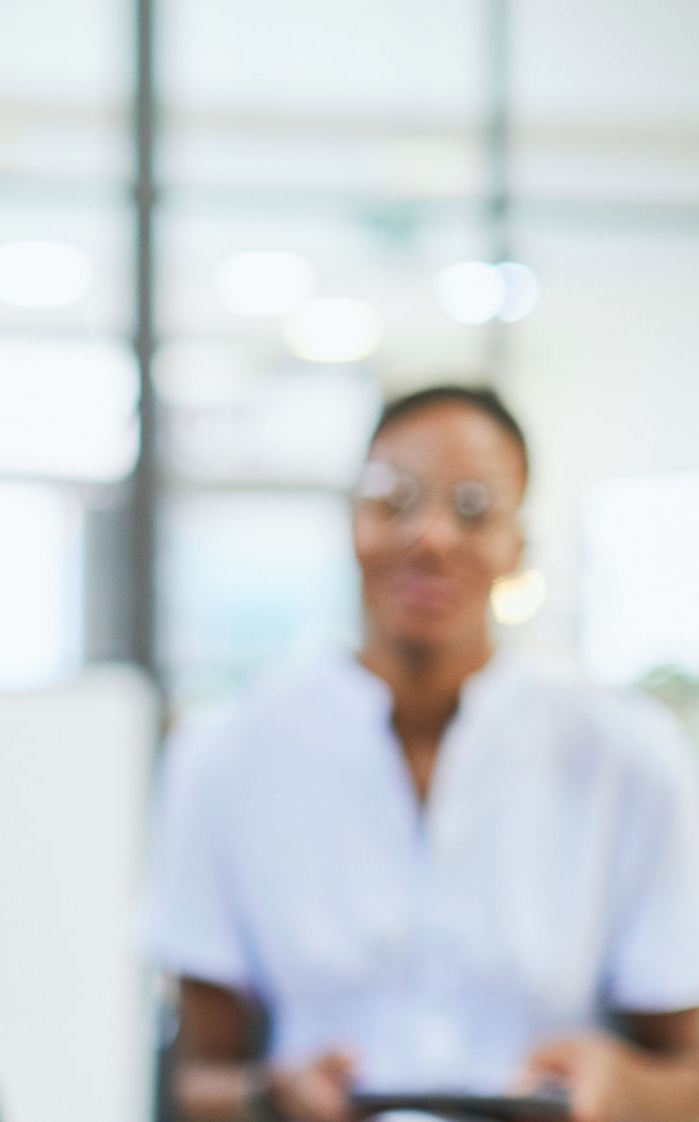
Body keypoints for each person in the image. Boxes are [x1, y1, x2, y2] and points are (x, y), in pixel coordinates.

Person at [147, 386, 699, 1122]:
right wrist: (269, 1096)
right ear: (353, 521)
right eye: (395, 500)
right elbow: (195, 1080)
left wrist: (622, 1087)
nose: (432, 537)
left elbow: (690, 1075)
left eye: (474, 508)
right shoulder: (227, 753)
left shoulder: (627, 754)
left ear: (517, 545)